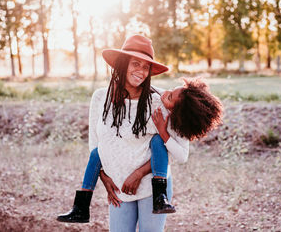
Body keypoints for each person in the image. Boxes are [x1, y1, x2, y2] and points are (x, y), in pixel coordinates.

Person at [57, 35, 223, 231]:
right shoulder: (101, 97)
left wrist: (139, 173)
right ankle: (80, 207)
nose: (141, 71)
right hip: (118, 187)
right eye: (136, 63)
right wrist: (103, 175)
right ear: (122, 64)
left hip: (151, 189)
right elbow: (96, 144)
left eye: (146, 67)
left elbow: (176, 147)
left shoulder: (162, 100)